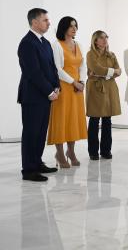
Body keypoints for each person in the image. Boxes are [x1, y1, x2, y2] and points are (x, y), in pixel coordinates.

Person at [17, 8, 60, 181]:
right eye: (45, 20)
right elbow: (33, 72)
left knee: (41, 132)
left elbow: (51, 67)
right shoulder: (27, 43)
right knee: (31, 133)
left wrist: (56, 86)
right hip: (33, 96)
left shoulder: (45, 42)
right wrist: (49, 91)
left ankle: (37, 162)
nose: (49, 23)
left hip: (46, 95)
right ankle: (28, 170)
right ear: (34, 22)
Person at [47, 16, 88, 168]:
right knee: (61, 119)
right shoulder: (56, 45)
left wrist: (82, 82)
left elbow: (83, 65)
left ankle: (71, 152)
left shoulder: (78, 44)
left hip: (77, 89)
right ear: (63, 27)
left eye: (76, 26)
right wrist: (74, 83)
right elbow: (57, 69)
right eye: (71, 26)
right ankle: (59, 153)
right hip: (64, 88)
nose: (74, 28)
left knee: (73, 120)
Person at [85, 30, 122, 160]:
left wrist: (105, 73)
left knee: (107, 120)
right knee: (94, 120)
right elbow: (96, 69)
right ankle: (93, 152)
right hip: (95, 89)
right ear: (95, 40)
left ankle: (106, 151)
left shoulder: (111, 55)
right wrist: (111, 72)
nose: (105, 40)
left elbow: (120, 71)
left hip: (110, 89)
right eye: (101, 38)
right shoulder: (90, 54)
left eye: (106, 37)